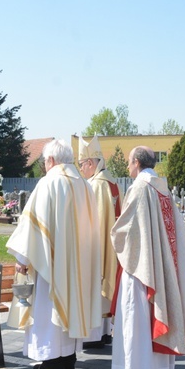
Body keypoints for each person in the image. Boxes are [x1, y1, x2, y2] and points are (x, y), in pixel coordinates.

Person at [110, 146, 185, 369]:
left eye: (129, 162)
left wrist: (111, 232)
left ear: (137, 162)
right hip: (160, 262)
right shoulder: (161, 186)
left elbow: (125, 229)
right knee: (150, 312)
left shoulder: (139, 187)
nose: (128, 167)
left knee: (136, 314)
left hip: (142, 266)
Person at [6, 139, 102, 369]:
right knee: (71, 309)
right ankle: (68, 360)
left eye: (44, 162)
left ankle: (52, 363)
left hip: (52, 265)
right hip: (78, 265)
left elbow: (32, 227)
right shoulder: (84, 184)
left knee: (48, 311)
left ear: (50, 160)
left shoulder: (48, 183)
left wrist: (23, 258)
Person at [78, 135, 123, 349]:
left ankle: (93, 336)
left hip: (98, 244)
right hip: (113, 244)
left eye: (81, 165)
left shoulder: (95, 185)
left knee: (95, 283)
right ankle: (105, 333)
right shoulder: (112, 181)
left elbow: (90, 221)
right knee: (107, 281)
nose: (80, 170)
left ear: (90, 163)